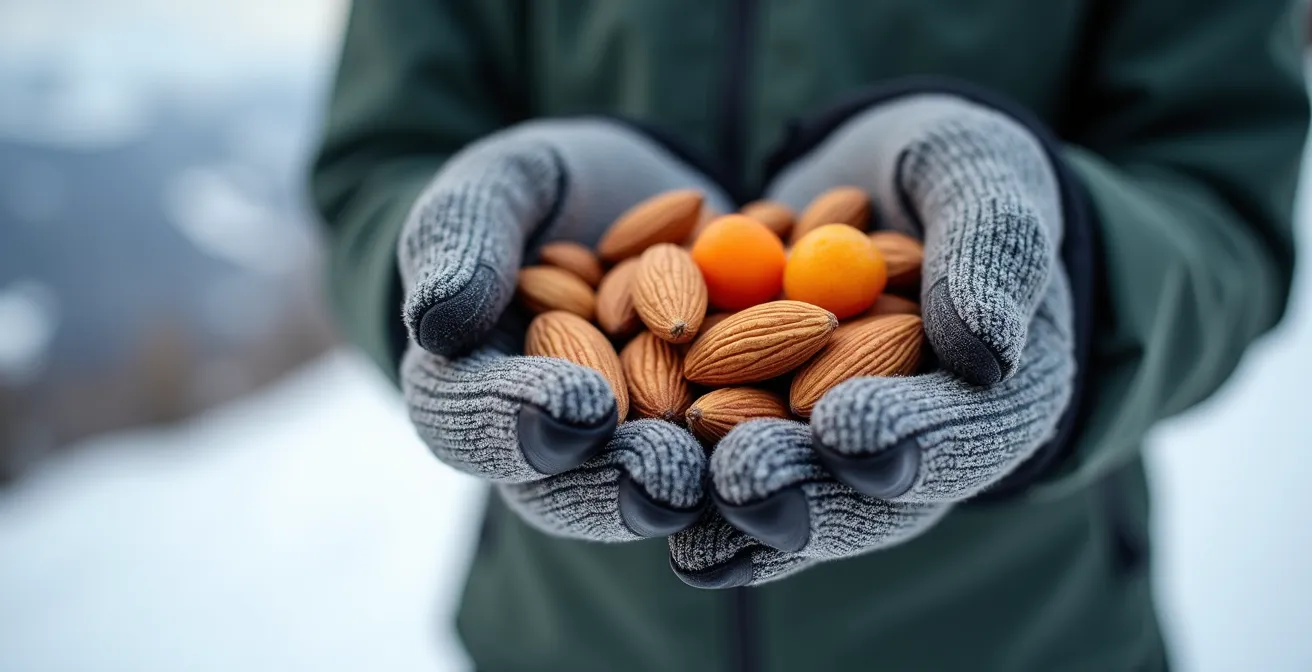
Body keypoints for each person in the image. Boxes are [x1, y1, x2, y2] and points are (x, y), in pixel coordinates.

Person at [309, 1, 1308, 669]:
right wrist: (429, 273)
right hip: (568, 632)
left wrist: (1079, 278)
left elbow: (1222, 197)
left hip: (1020, 632)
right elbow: (377, 162)